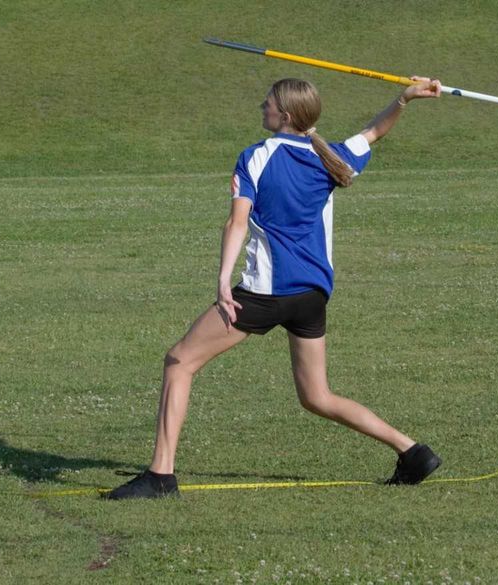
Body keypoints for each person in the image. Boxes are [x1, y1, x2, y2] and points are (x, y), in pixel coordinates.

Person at [106, 76, 443, 500]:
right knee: (316, 396)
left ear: (285, 115)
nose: (260, 106)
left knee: (179, 362)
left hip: (267, 293)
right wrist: (405, 99)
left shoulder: (256, 157)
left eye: (267, 103)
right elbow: (374, 132)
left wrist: (223, 281)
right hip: (312, 296)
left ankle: (160, 476)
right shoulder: (332, 156)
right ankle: (412, 451)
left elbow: (237, 222)